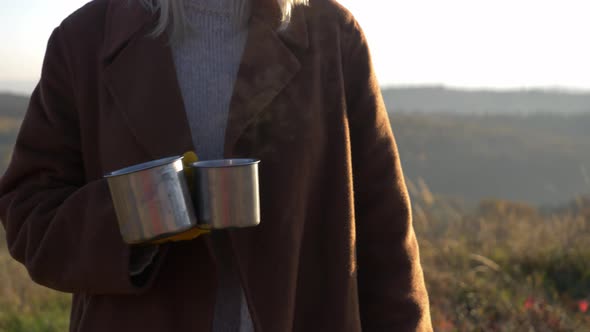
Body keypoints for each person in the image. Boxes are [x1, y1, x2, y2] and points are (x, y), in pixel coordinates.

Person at [0, 0, 432, 331]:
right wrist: (143, 210)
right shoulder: (85, 41)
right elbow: (30, 216)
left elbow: (386, 237)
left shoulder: (331, 34)